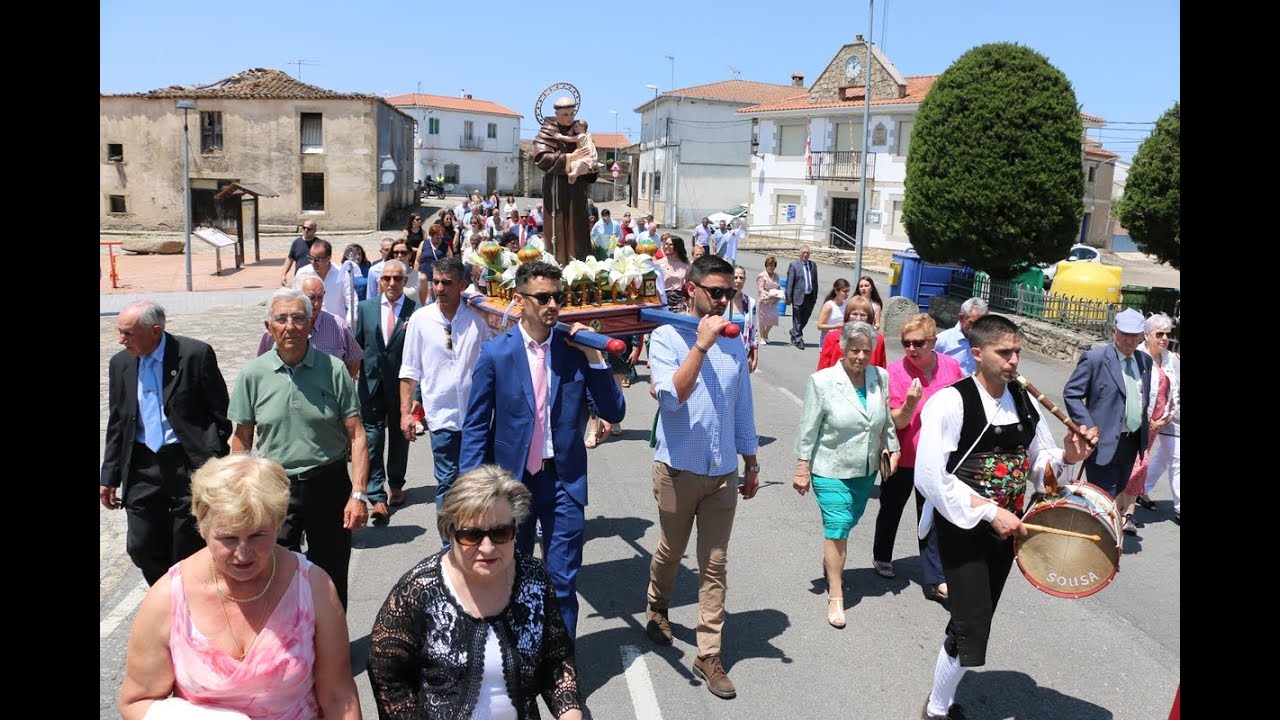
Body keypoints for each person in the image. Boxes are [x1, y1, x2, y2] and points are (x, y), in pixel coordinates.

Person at [914, 314, 1097, 720]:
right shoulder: (950, 401)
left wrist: (1069, 456)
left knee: (973, 619)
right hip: (959, 526)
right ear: (977, 354)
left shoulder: (1025, 402)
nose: (1014, 361)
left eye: (1017, 352)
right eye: (1004, 352)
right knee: (973, 623)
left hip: (1008, 529)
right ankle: (936, 710)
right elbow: (930, 477)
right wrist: (990, 511)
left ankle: (938, 702)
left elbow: (1040, 468)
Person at [117, 454, 360, 720]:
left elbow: (339, 697)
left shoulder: (314, 588)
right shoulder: (169, 598)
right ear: (202, 528)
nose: (243, 555)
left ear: (278, 524)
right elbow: (138, 701)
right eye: (228, 538)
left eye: (258, 535)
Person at [460, 261, 625, 638]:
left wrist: (595, 357)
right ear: (520, 301)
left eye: (558, 297)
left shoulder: (574, 353)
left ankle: (561, 668)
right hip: (511, 486)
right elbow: (476, 425)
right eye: (543, 297)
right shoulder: (496, 354)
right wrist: (469, 489)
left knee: (562, 582)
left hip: (564, 482)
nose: (553, 304)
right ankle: (517, 659)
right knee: (510, 580)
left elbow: (614, 411)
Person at [367, 465, 582, 720]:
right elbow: (388, 679)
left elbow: (557, 657)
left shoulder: (534, 578)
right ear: (450, 531)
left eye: (501, 532)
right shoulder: (417, 591)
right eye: (472, 536)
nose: (488, 548)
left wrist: (570, 712)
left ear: (516, 528)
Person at [645, 254, 760, 700]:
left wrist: (750, 462)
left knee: (715, 563)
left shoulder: (735, 340)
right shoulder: (666, 335)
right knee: (672, 549)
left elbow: (742, 406)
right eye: (715, 291)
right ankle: (657, 607)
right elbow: (671, 398)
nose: (723, 300)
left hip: (721, 472)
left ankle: (708, 652)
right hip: (676, 467)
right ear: (692, 289)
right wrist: (701, 345)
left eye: (729, 292)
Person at [229, 289, 370, 610]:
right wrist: (240, 493)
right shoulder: (253, 375)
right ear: (269, 326)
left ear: (310, 324)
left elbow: (357, 435)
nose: (289, 326)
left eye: (298, 318)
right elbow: (242, 439)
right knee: (275, 573)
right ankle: (289, 648)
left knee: (331, 574)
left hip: (329, 484)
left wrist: (359, 494)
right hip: (275, 489)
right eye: (281, 318)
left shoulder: (334, 370)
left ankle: (331, 650)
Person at [101, 300, 231, 586]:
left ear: (156, 331)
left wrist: (213, 458)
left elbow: (221, 413)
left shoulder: (194, 355)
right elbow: (118, 422)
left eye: (128, 333)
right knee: (141, 546)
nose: (121, 340)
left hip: (186, 464)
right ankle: (168, 596)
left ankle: (186, 606)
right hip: (142, 465)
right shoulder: (120, 363)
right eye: (120, 332)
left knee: (187, 546)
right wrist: (109, 476)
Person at [792, 321, 900, 629]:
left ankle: (832, 563)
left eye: (867, 351)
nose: (861, 357)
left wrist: (893, 448)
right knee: (837, 526)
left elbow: (886, 420)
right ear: (843, 349)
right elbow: (808, 428)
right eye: (855, 350)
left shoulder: (880, 377)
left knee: (848, 524)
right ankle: (836, 593)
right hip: (829, 466)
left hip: (864, 468)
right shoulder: (822, 381)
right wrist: (802, 468)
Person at [874, 313, 964, 607]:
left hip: (939, 457)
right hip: (905, 455)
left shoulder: (951, 368)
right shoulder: (895, 372)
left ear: (933, 341)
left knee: (932, 517)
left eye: (918, 343)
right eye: (906, 343)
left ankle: (934, 578)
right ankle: (882, 555)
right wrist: (911, 403)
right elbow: (897, 423)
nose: (911, 349)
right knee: (891, 507)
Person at [399, 257, 492, 513]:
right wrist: (406, 413)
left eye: (447, 283)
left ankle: (475, 538)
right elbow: (409, 369)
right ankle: (447, 545)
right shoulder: (421, 319)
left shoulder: (478, 319)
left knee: (477, 483)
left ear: (461, 284)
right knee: (447, 483)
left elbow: (496, 356)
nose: (439, 288)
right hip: (441, 416)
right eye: (436, 282)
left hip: (477, 416)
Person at [353, 259, 417, 526]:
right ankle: (377, 495)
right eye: (387, 278)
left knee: (400, 436)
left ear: (404, 282)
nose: (391, 283)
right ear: (379, 281)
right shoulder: (366, 308)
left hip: (401, 385)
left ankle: (397, 484)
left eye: (397, 279)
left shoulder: (414, 311)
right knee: (373, 438)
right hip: (370, 385)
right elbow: (357, 344)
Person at [1063, 307, 1152, 499]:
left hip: (1131, 441)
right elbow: (1072, 393)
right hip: (1103, 442)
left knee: (1118, 492)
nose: (1129, 340)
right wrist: (1088, 426)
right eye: (1124, 334)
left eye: (1134, 335)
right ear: (1114, 332)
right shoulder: (1095, 359)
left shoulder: (1144, 361)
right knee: (1102, 498)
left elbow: (1142, 395)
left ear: (1142, 336)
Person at [1117, 312, 1180, 532]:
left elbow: (1174, 393)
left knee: (1138, 466)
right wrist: (1146, 420)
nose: (1164, 338)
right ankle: (1126, 513)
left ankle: (1121, 512)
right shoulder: (1138, 356)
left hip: (1157, 423)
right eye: (1159, 334)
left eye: (1167, 334)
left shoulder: (1170, 359)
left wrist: (1165, 417)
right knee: (1137, 465)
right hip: (1136, 423)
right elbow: (1133, 392)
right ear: (1146, 335)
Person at [256, 276, 362, 379]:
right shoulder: (277, 329)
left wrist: (337, 386)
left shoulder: (338, 326)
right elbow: (261, 365)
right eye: (310, 298)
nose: (316, 303)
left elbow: (354, 361)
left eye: (320, 297)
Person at [534, 97, 597, 265]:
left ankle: (580, 265)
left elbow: (589, 152)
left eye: (571, 113)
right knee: (558, 228)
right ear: (556, 113)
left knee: (577, 226)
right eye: (565, 114)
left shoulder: (578, 130)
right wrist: (570, 157)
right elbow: (541, 157)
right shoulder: (548, 130)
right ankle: (557, 264)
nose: (569, 118)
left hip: (577, 189)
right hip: (556, 188)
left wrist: (590, 167)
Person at [293, 239, 357, 326]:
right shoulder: (302, 272)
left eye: (317, 259)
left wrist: (349, 324)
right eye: (310, 258)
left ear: (328, 258)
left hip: (336, 326)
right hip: (308, 326)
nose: (313, 262)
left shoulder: (342, 273)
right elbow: (295, 300)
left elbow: (352, 301)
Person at [816, 296, 887, 370]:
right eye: (854, 314)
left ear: (869, 318)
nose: (858, 318)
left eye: (863, 315)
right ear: (847, 315)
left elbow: (881, 369)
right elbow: (822, 369)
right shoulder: (832, 337)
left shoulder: (878, 339)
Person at [934, 298, 990, 374]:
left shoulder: (988, 341)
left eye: (981, 324)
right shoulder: (942, 340)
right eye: (972, 323)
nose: (977, 328)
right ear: (961, 318)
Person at [723, 265, 759, 373]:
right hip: (721, 350)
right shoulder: (721, 300)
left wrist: (755, 356)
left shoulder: (750, 303)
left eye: (741, 278)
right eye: (735, 277)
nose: (738, 281)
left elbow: (754, 332)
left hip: (741, 352)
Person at [786, 246, 819, 349]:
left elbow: (815, 281)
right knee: (798, 319)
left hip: (810, 296)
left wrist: (815, 296)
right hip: (798, 296)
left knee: (805, 318)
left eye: (807, 253)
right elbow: (790, 282)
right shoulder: (794, 265)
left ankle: (794, 331)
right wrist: (788, 297)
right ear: (800, 254)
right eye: (803, 252)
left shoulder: (813, 265)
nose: (805, 255)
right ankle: (798, 338)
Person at [418, 223, 453, 304]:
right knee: (426, 302)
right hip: (425, 279)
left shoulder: (445, 246)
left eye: (441, 236)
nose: (439, 238)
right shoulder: (424, 244)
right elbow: (417, 261)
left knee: (438, 301)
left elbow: (451, 261)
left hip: (439, 279)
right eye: (437, 235)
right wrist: (415, 275)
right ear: (431, 235)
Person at [555, 119, 598, 184]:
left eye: (577, 126)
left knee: (579, 164)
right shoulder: (588, 136)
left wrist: (560, 137)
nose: (575, 128)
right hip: (585, 158)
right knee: (574, 164)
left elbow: (571, 139)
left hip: (587, 156)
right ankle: (574, 175)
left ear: (583, 127)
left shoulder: (582, 136)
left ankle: (574, 173)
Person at [655, 234, 691, 313]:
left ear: (677, 247)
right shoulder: (659, 264)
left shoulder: (687, 265)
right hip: (664, 302)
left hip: (681, 303)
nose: (666, 246)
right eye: (665, 244)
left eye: (670, 244)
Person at [279, 221, 319, 286]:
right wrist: (283, 275)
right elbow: (290, 259)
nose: (306, 230)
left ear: (315, 230)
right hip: (299, 278)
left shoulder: (318, 244)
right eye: (304, 228)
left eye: (309, 229)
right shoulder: (296, 242)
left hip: (314, 278)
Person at [815, 278, 851, 347]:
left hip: (840, 340)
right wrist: (836, 326)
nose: (847, 294)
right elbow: (820, 326)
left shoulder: (845, 306)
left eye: (848, 291)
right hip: (828, 341)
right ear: (837, 291)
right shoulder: (829, 306)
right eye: (845, 291)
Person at [755, 256, 783, 344]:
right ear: (766, 266)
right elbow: (760, 289)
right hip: (764, 300)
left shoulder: (776, 276)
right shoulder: (762, 276)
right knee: (763, 319)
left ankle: (766, 334)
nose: (771, 267)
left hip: (773, 300)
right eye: (769, 266)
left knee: (773, 318)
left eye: (773, 266)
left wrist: (780, 293)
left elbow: (778, 286)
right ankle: (762, 337)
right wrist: (768, 294)